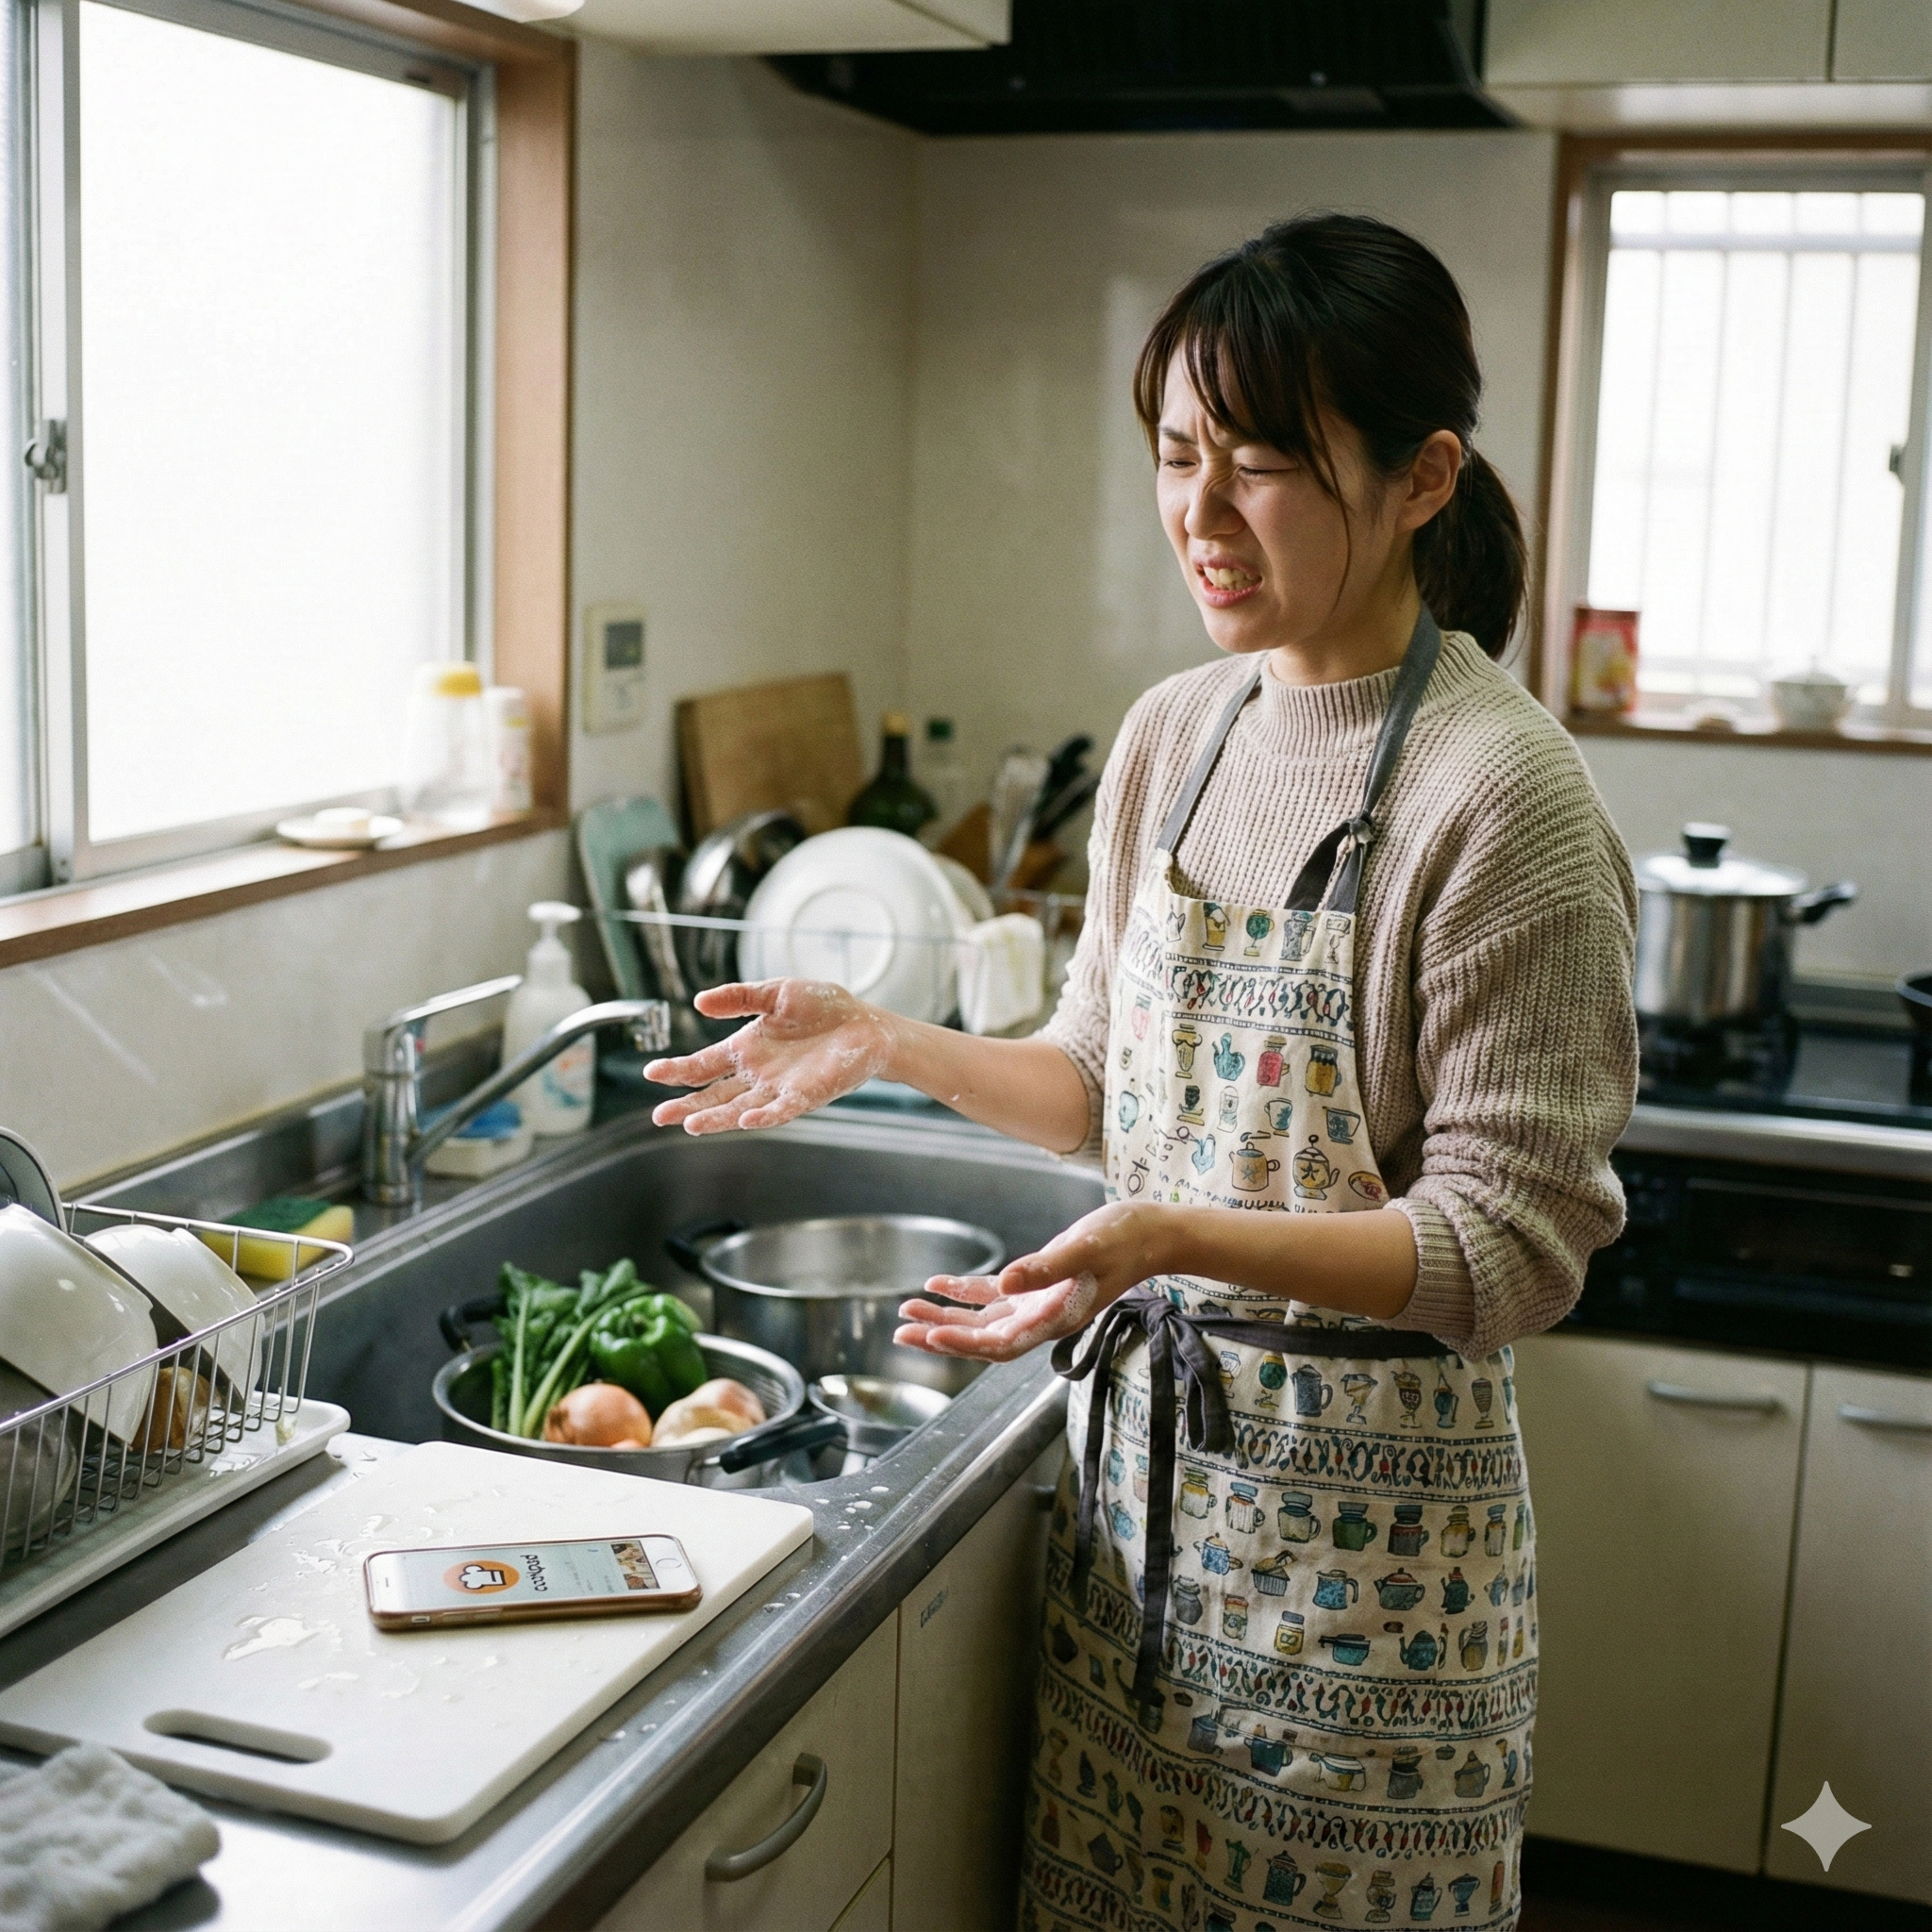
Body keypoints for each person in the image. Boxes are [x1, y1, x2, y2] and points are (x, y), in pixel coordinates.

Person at [645, 211, 1637, 1932]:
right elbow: (1100, 1084)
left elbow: (1509, 1250)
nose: (1200, 510)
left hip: (1365, 1592)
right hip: (1141, 1542)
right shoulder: (1179, 737)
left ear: (1422, 477)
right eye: (1180, 453)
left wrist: (1162, 1242)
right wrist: (892, 1044)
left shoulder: (1505, 797)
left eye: (1266, 463)